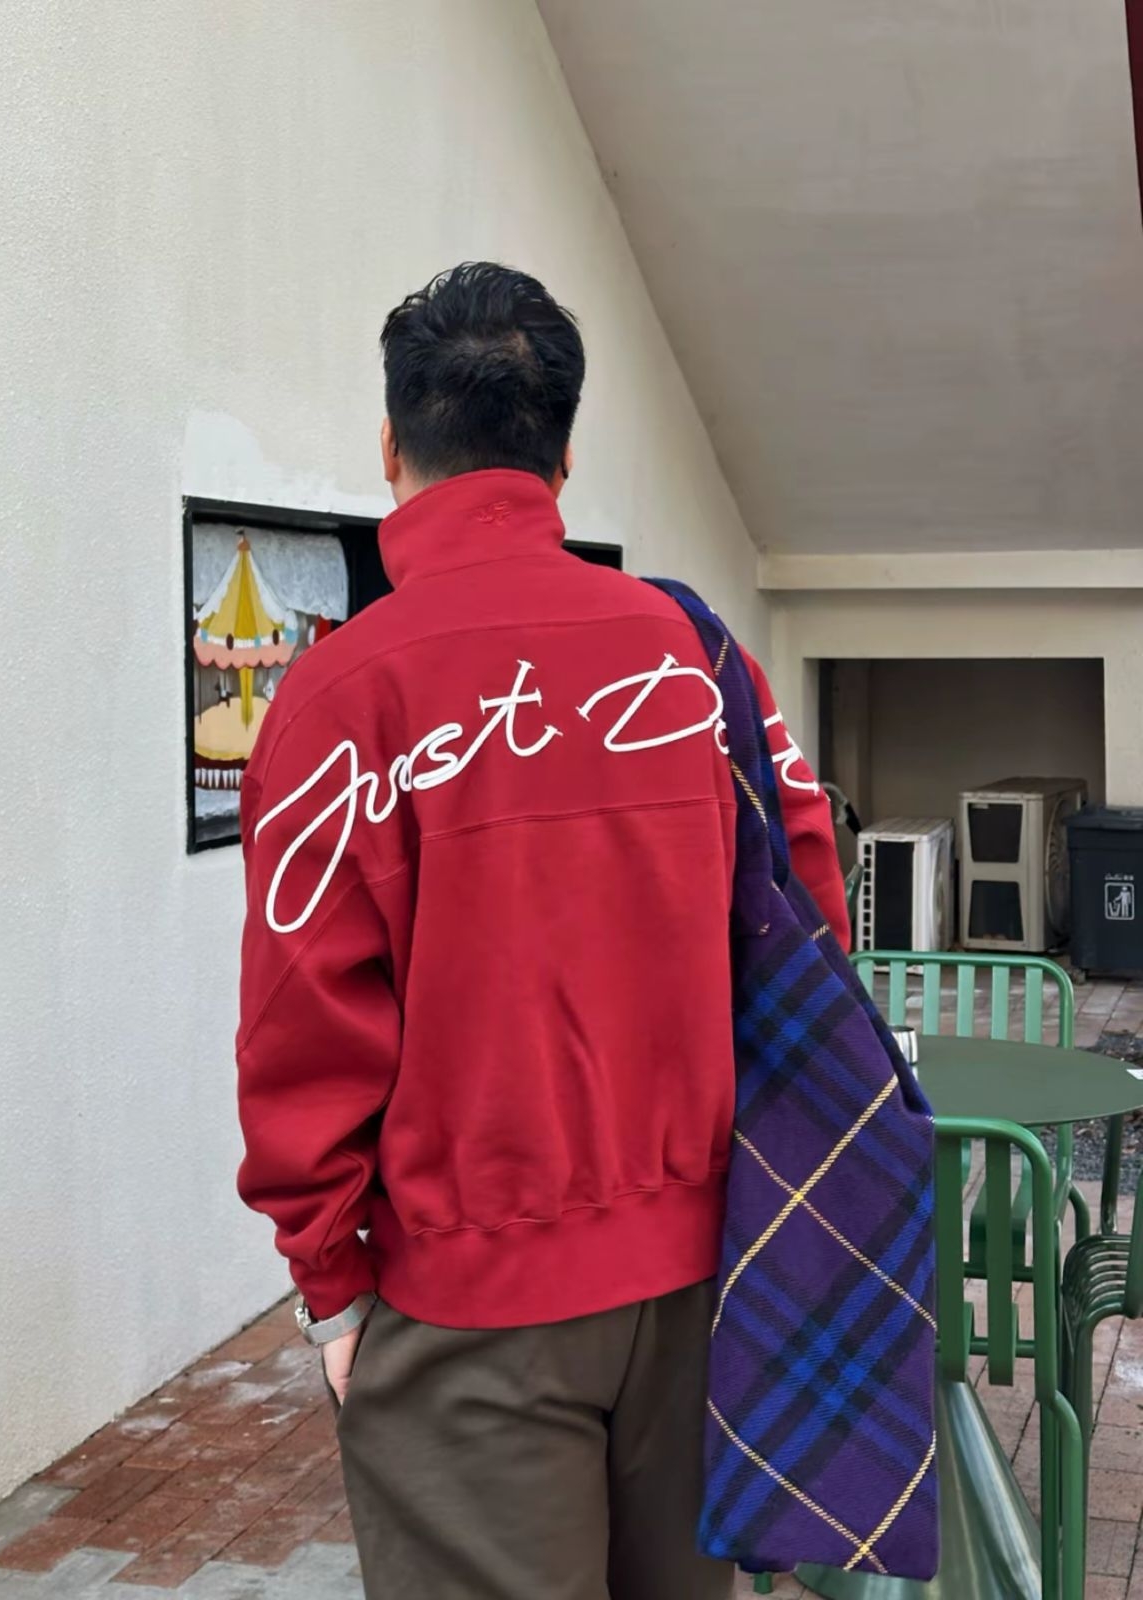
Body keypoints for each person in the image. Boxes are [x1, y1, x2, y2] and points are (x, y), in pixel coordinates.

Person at [235, 262, 847, 1600]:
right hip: (706, 1286)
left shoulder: (336, 696)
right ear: (563, 455)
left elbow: (302, 1028)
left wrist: (330, 1282)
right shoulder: (698, 658)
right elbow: (812, 914)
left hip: (467, 1311)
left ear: (391, 447)